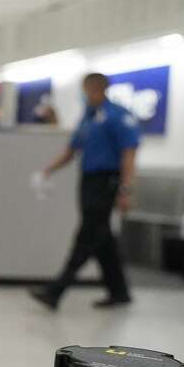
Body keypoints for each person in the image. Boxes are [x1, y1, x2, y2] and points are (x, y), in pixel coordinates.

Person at [30, 72, 139, 311]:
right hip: (88, 181)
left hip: (106, 181)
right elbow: (72, 150)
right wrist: (48, 170)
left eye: (85, 90)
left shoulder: (117, 116)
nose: (83, 95)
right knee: (102, 238)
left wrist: (126, 189)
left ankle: (56, 290)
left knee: (87, 235)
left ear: (95, 89)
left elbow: (129, 154)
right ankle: (119, 291)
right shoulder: (89, 118)